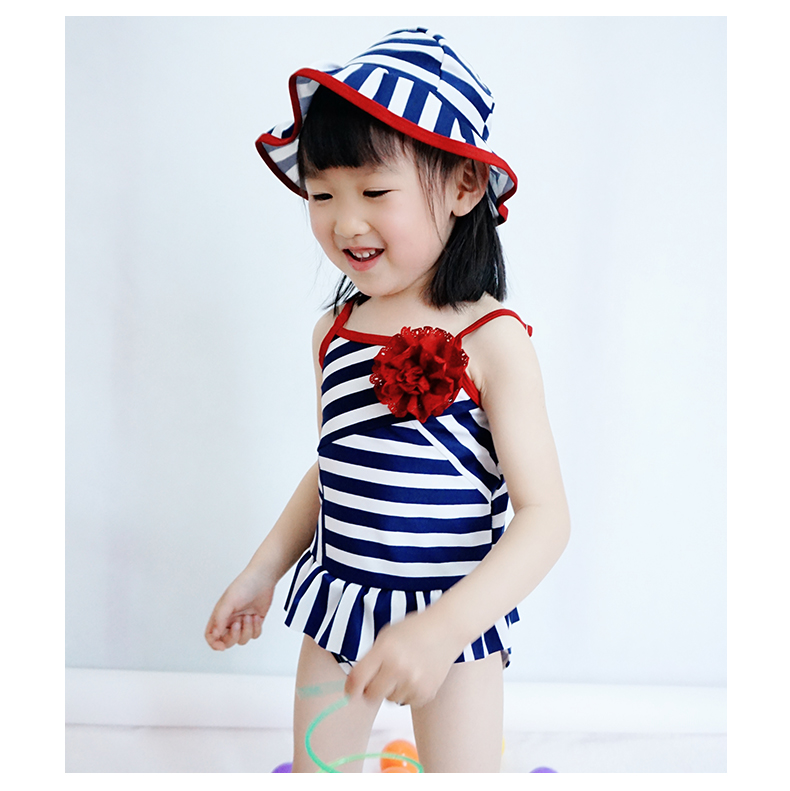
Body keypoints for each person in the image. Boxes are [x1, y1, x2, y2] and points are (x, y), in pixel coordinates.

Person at [205, 27, 570, 773]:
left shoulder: (494, 338)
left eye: (375, 191)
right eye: (322, 195)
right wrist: (263, 569)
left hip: (454, 622)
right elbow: (333, 467)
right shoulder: (333, 334)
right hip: (339, 610)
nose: (345, 222)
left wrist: (443, 629)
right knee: (319, 772)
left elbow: (545, 517)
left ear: (464, 186)